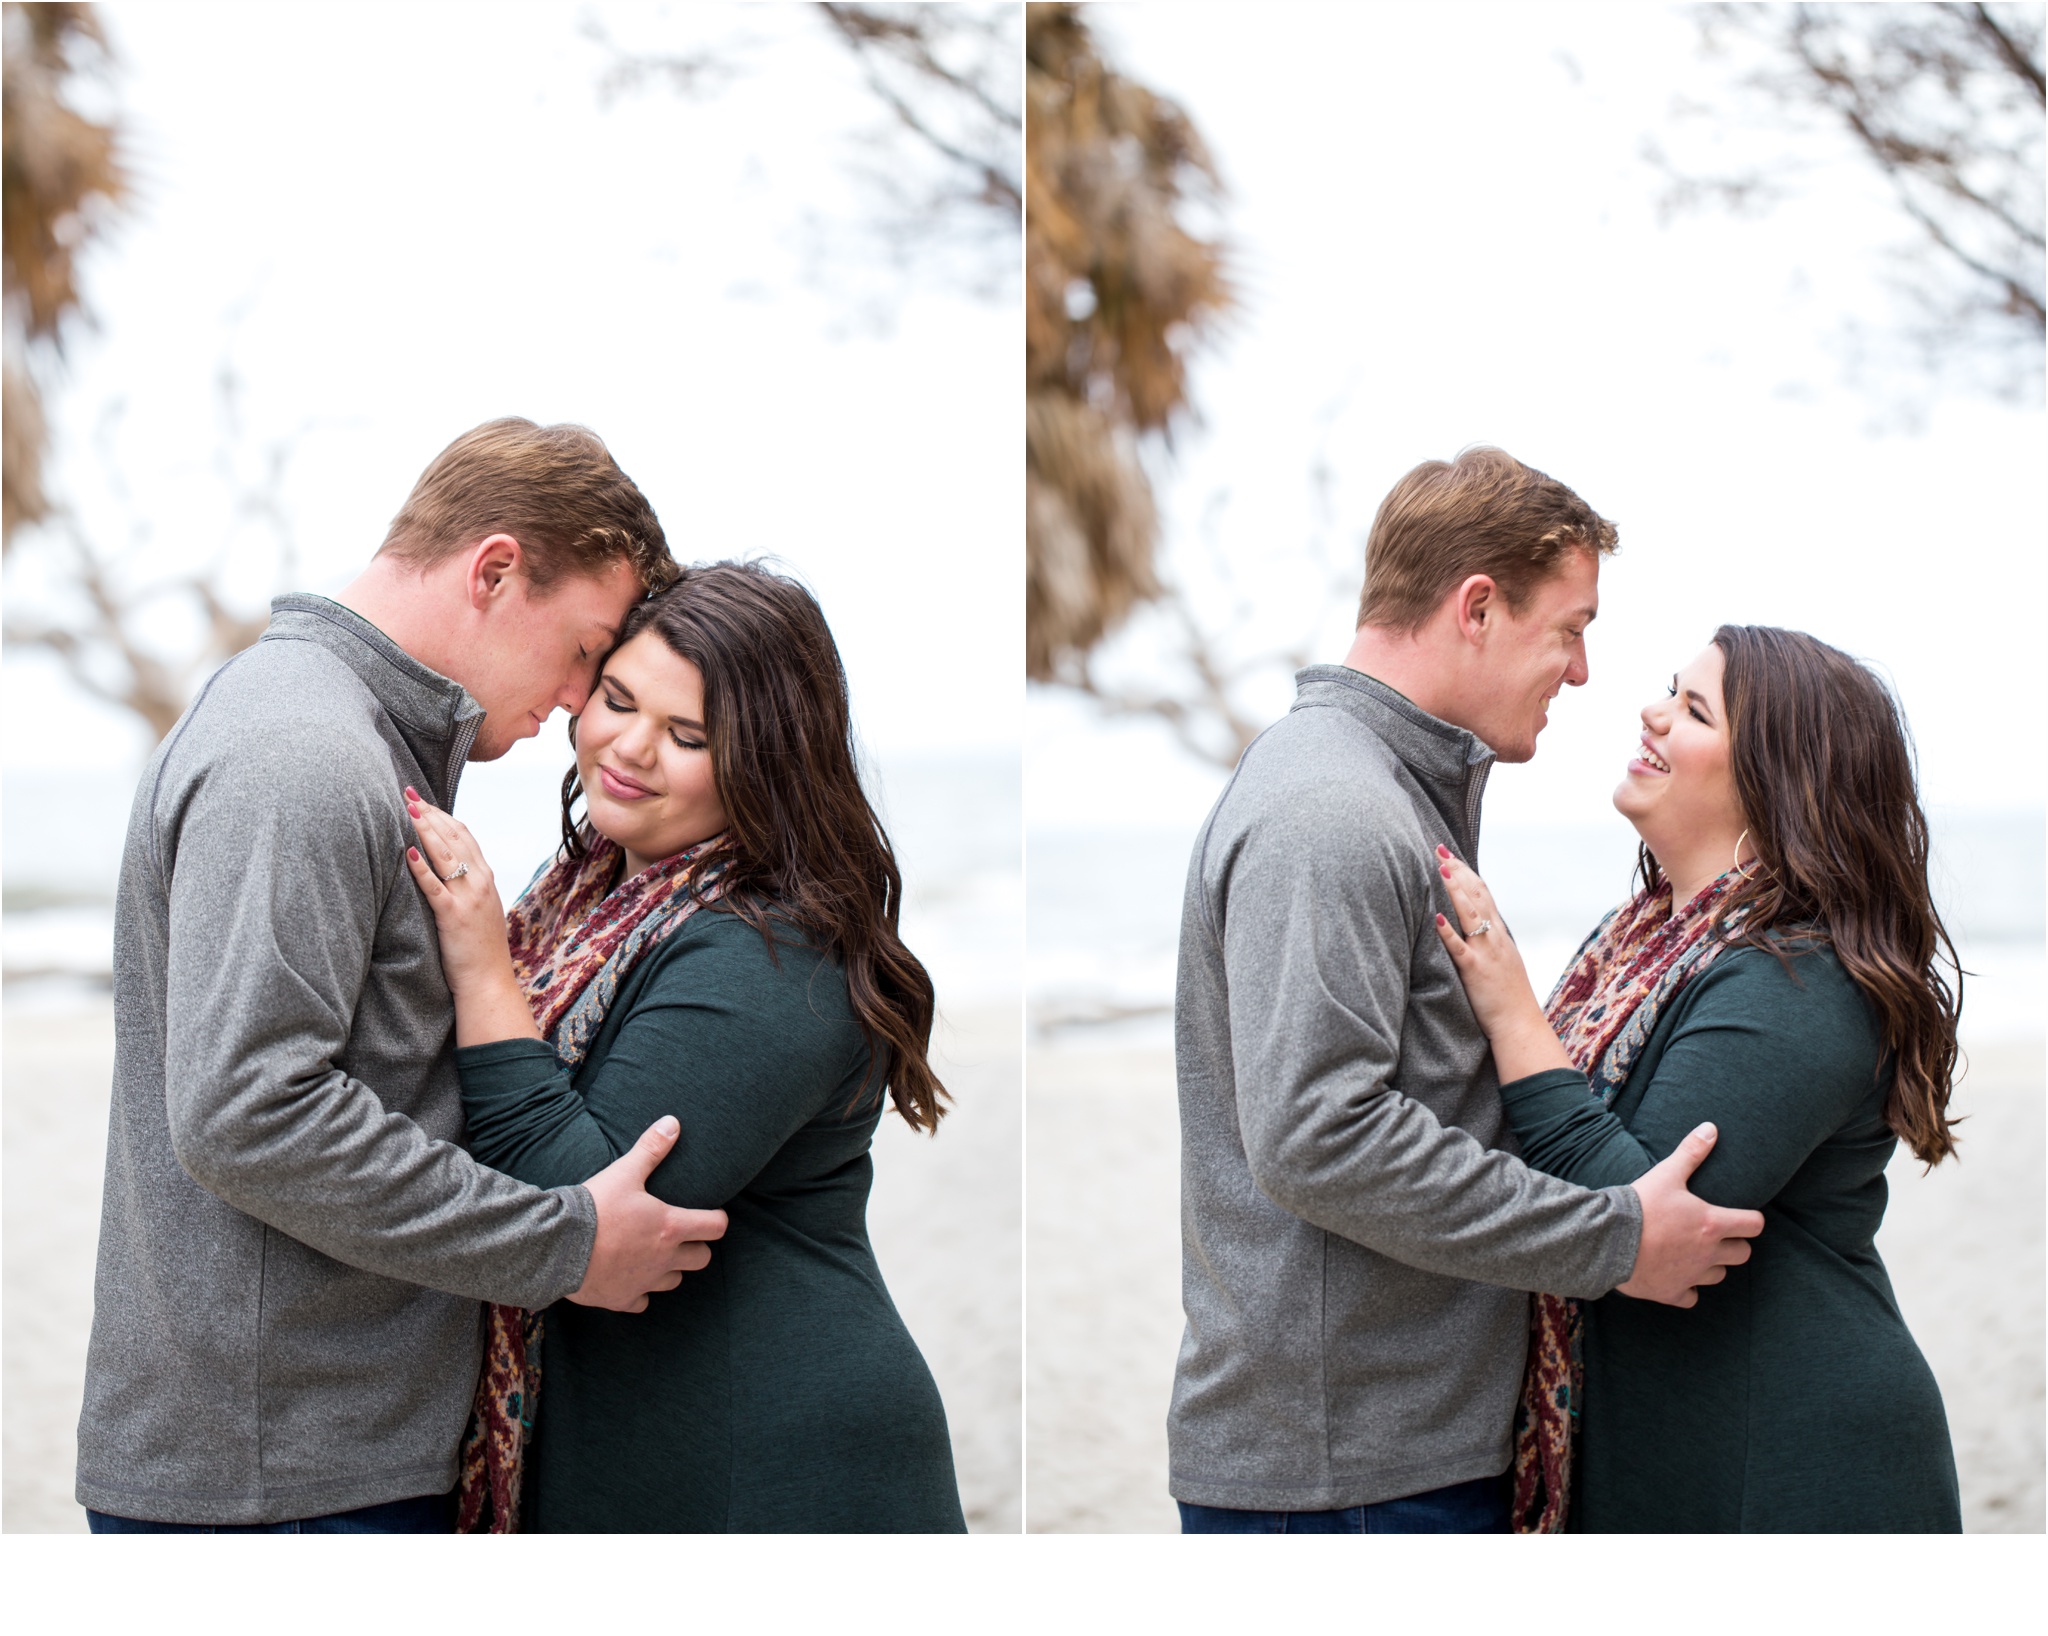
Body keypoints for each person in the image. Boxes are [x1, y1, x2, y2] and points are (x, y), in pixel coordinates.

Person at [78, 419, 728, 1533]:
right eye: (582, 650)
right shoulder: (305, 751)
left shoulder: (337, 731)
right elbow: (246, 1111)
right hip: (284, 1485)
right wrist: (560, 1242)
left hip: (305, 1456)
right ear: (493, 570)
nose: (581, 699)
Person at [1170, 446, 1765, 1534]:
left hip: (1384, 1454)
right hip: (1347, 1480)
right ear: (1477, 607)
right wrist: (1613, 1237)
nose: (1582, 672)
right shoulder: (1332, 808)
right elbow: (1316, 1135)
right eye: (1570, 628)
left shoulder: (1385, 790)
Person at [401, 560, 967, 1533]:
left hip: (776, 1464)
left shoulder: (773, 945)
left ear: (764, 763)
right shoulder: (588, 893)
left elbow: (587, 1206)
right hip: (647, 1452)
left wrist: (482, 969)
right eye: (617, 699)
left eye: (689, 735)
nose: (629, 748)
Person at [1433, 626, 1963, 1532]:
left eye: (1692, 708)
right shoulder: (1639, 940)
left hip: (1789, 1463)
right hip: (1679, 1448)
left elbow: (1640, 1220)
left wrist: (1512, 1010)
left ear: (1772, 777)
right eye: (1671, 691)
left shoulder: (1801, 976)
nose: (1652, 712)